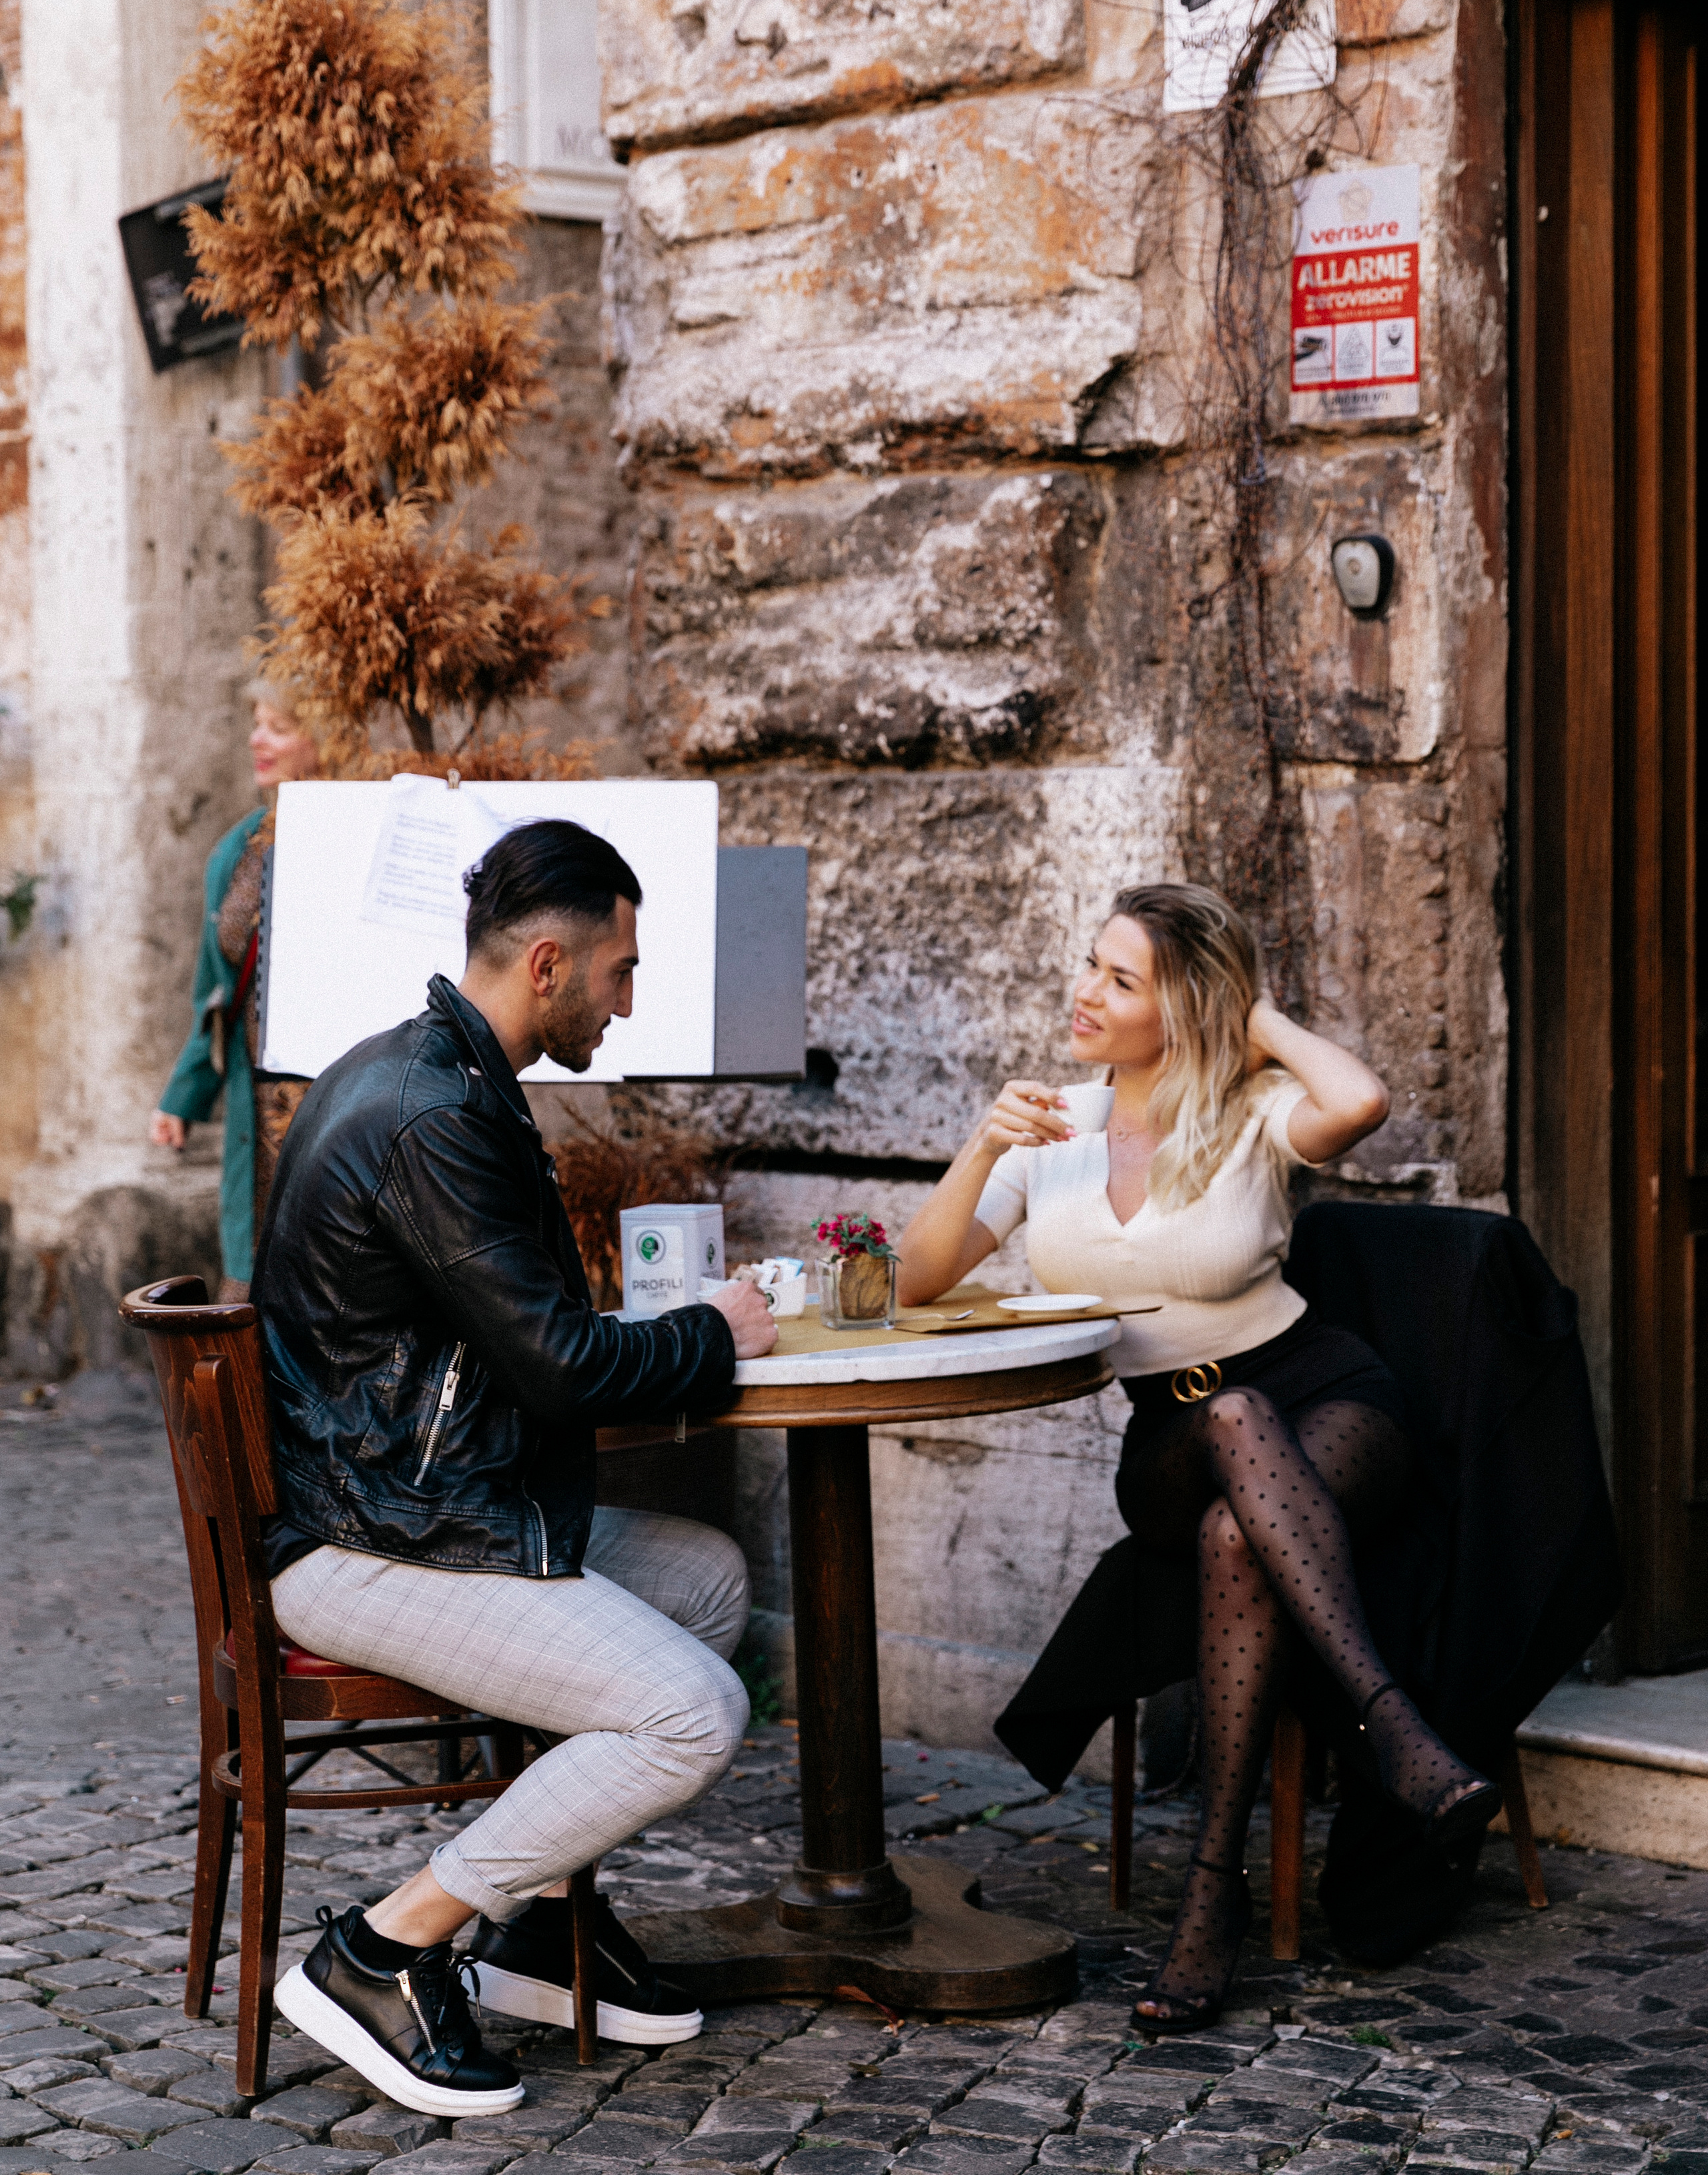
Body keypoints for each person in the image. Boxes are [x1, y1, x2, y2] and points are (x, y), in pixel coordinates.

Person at [896, 880, 1502, 2034]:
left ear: (1188, 1008)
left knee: (1241, 1511)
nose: (1086, 993)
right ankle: (1398, 1732)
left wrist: (1249, 1010)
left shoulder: (1255, 1109)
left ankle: (1209, 1902)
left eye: (1124, 980)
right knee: (1223, 1428)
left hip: (1330, 1399)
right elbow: (922, 1276)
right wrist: (982, 1145)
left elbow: (1361, 1099)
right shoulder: (1053, 1129)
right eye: (1092, 965)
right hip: (1170, 1438)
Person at [255, 819, 779, 2114]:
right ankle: (385, 1947)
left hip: (420, 1504)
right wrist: (715, 1333)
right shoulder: (438, 1114)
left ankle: (540, 1934)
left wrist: (675, 1331)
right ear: (549, 964)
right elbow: (559, 1368)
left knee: (707, 1580)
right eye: (622, 970)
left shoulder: (428, 1073)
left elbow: (515, 1346)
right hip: (366, 1543)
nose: (630, 998)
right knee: (695, 1710)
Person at [149, 687, 322, 1294]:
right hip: (259, 1120)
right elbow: (219, 994)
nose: (257, 740)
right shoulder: (236, 852)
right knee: (251, 1300)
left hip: (341, 1105)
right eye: (256, 725)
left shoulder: (366, 830)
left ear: (323, 734)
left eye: (277, 726)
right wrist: (182, 1097)